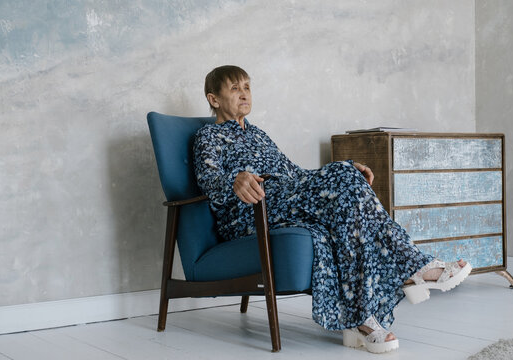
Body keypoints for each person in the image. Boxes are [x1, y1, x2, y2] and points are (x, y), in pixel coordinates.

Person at [193, 65, 471, 354]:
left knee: (343, 195)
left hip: (286, 202)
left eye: (247, 87)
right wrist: (234, 180)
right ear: (214, 99)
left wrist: (345, 172)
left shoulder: (259, 135)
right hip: (251, 213)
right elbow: (207, 180)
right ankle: (412, 265)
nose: (244, 94)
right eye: (235, 88)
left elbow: (296, 174)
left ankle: (362, 320)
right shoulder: (208, 136)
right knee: (342, 173)